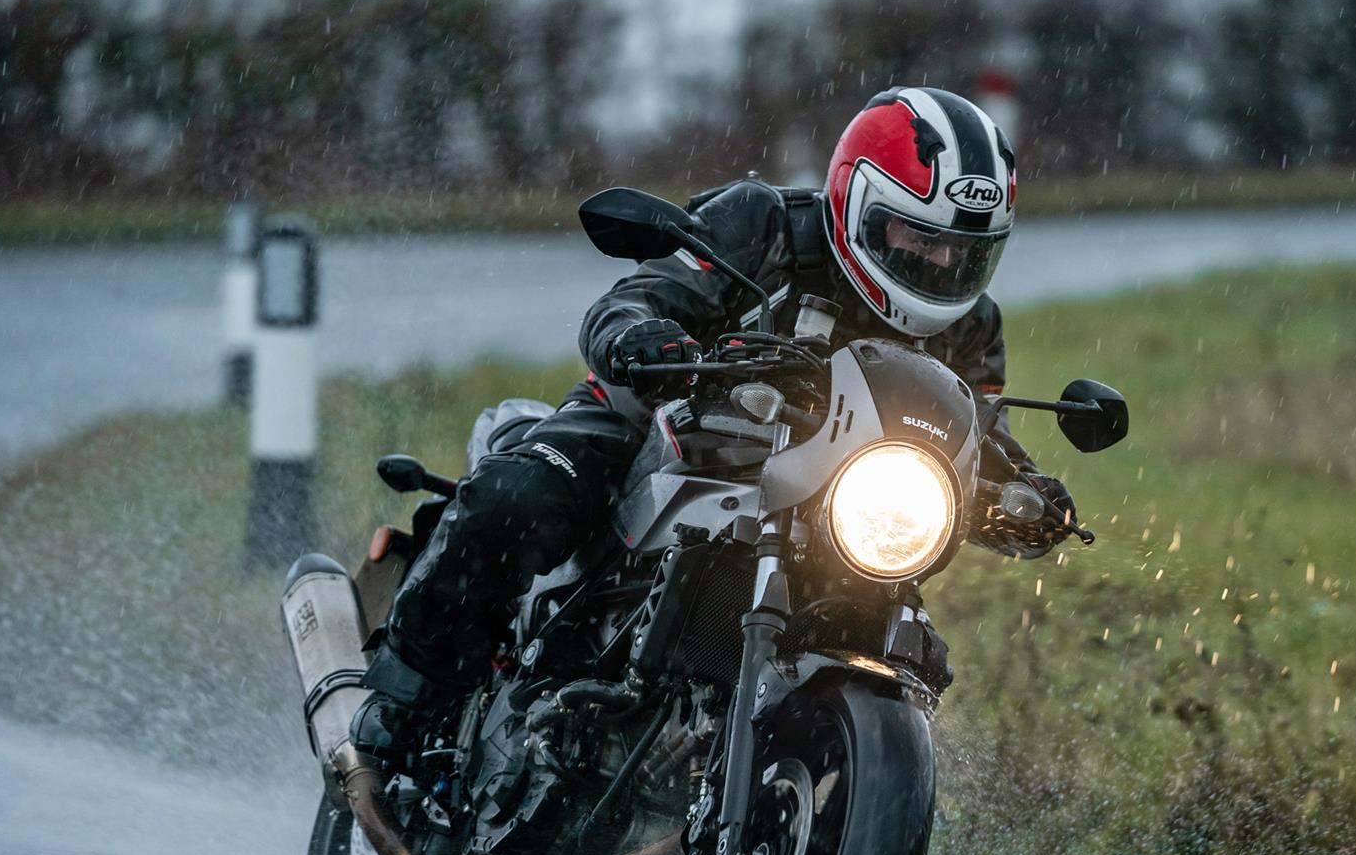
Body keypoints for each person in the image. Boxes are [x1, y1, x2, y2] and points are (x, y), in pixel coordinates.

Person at [348, 85, 1077, 769]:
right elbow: (640, 295)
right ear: (856, 201)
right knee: (517, 496)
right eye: (916, 239)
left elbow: (972, 427)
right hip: (661, 425)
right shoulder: (762, 226)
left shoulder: (971, 328)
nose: (939, 261)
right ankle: (407, 707)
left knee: (910, 644)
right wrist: (643, 337)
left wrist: (1026, 491)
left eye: (962, 251)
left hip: (821, 496)